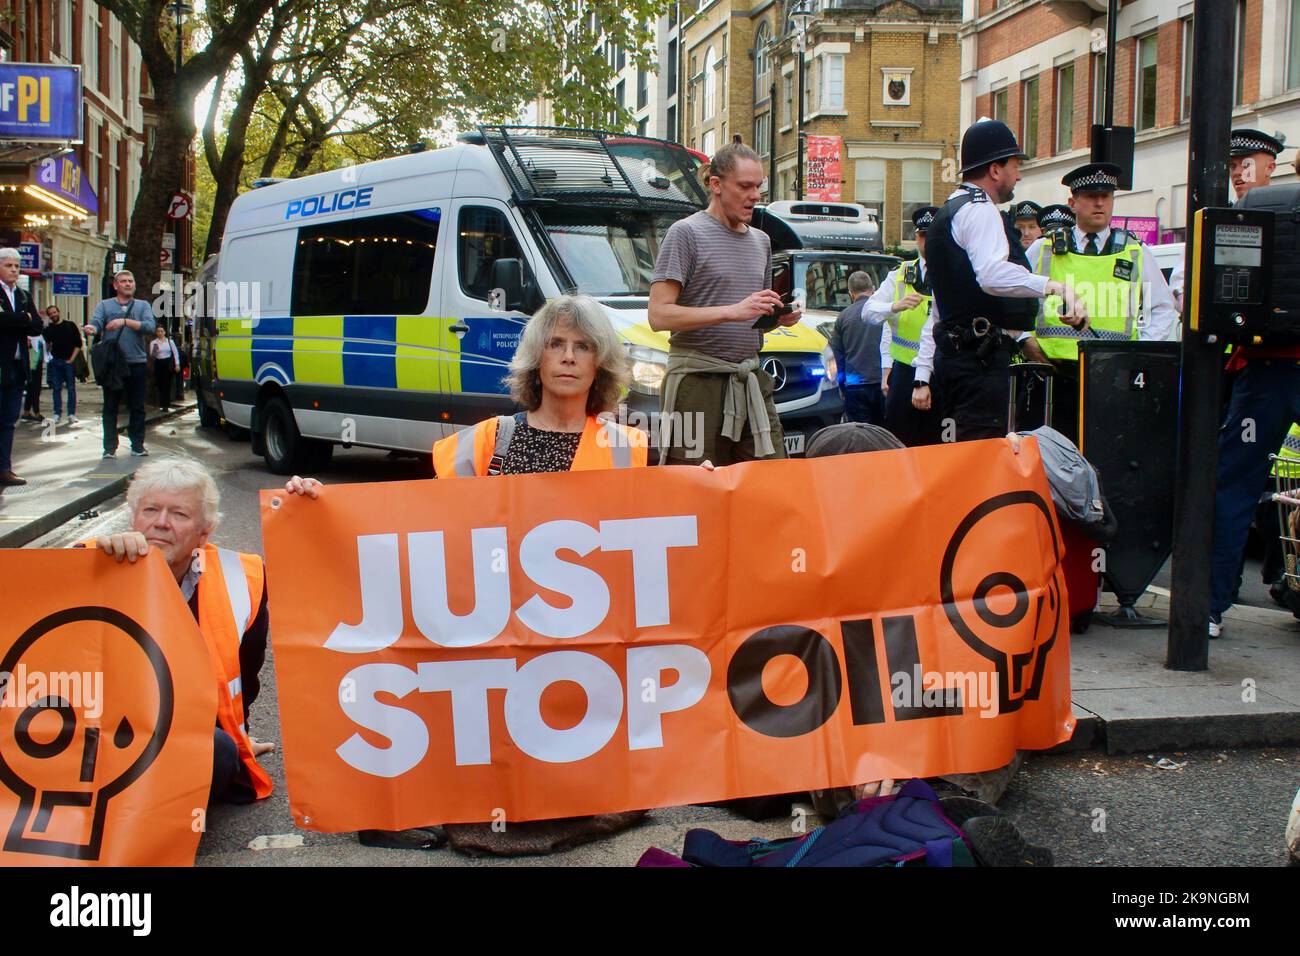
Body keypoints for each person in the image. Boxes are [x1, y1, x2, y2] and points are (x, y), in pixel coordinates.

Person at [288, 294, 648, 852]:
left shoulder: (628, 448)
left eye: (583, 347)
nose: (569, 357)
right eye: (556, 344)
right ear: (536, 358)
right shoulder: (488, 440)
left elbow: (651, 541)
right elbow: (419, 528)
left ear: (601, 363)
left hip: (580, 634)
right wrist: (319, 504)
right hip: (491, 623)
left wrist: (700, 489)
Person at [78, 457, 275, 805]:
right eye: (150, 510)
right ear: (133, 517)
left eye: (179, 514)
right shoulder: (90, 565)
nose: (161, 524)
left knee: (220, 751)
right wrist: (92, 565)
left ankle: (150, 825)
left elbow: (244, 675)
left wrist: (238, 735)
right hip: (93, 734)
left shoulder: (240, 579)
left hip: (173, 736)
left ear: (205, 531)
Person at [924, 120, 1089, 443]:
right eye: (1015, 166)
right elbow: (991, 275)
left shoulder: (950, 210)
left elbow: (942, 306)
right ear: (996, 170)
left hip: (955, 358)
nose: (1020, 174)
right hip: (977, 365)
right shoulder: (980, 210)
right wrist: (1056, 287)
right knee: (980, 458)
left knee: (958, 455)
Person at [648, 141, 800, 465]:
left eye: (758, 186)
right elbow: (659, 315)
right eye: (745, 186)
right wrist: (731, 312)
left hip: (750, 381)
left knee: (772, 483)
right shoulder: (685, 233)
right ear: (716, 185)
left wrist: (776, 317)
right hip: (696, 383)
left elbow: (749, 316)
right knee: (693, 489)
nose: (755, 196)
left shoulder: (761, 241)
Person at [1209, 131, 1300, 639]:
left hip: (1263, 371)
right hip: (1266, 369)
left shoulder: (1258, 214)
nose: (1241, 172)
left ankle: (1211, 607)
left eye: (1250, 162)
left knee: (1235, 487)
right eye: (1235, 163)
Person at [1022, 163, 1178, 444]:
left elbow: (1163, 308)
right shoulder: (1044, 248)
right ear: (1073, 203)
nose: (1099, 203)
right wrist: (1025, 340)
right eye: (1090, 196)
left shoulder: (1135, 250)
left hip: (1112, 375)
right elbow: (1013, 296)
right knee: (1050, 455)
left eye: (1106, 196)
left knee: (1105, 451)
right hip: (1052, 374)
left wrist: (1138, 353)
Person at [865, 206, 942, 447]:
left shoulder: (955, 274)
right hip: (906, 373)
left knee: (938, 446)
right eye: (922, 235)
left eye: (933, 236)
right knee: (898, 443)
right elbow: (868, 313)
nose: (927, 242)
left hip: (943, 373)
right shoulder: (899, 275)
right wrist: (894, 306)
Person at [91, 269, 156, 458]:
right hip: (113, 364)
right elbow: (96, 322)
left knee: (137, 406)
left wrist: (125, 322)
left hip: (136, 362)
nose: (128, 284)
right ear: (116, 285)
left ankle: (137, 445)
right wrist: (92, 328)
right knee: (110, 406)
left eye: (131, 281)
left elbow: (150, 326)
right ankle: (110, 447)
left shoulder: (143, 306)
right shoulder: (105, 305)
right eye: (124, 281)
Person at [0, 247, 44, 486]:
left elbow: (37, 326)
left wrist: (23, 320)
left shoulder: (24, 295)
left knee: (8, 420)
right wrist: (23, 319)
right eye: (9, 266)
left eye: (17, 266)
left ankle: (4, 469)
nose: (14, 270)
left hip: (18, 366)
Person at [828, 271, 885, 425]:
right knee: (885, 435)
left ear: (850, 293)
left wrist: (842, 387)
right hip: (884, 383)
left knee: (860, 437)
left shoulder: (843, 317)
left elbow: (837, 357)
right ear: (872, 289)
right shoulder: (884, 312)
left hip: (855, 386)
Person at [43, 304, 82, 425]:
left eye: (55, 312)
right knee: (56, 389)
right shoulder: (48, 330)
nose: (53, 315)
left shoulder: (70, 326)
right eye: (51, 314)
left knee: (71, 388)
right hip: (56, 361)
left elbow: (78, 344)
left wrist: (71, 359)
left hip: (68, 361)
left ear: (58, 312)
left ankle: (71, 414)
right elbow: (47, 345)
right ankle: (57, 413)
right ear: (49, 316)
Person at [149, 326, 180, 412]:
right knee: (159, 383)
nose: (160, 333)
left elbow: (175, 353)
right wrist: (156, 350)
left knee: (167, 384)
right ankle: (160, 402)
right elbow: (152, 355)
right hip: (158, 363)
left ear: (164, 332)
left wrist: (177, 364)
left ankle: (165, 404)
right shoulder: (154, 342)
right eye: (158, 331)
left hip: (167, 364)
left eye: (161, 331)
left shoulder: (170, 342)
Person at [21, 326, 45, 422]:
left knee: (31, 388)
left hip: (35, 364)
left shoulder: (37, 336)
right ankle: (36, 413)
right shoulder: (30, 336)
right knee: (35, 389)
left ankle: (26, 412)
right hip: (33, 364)